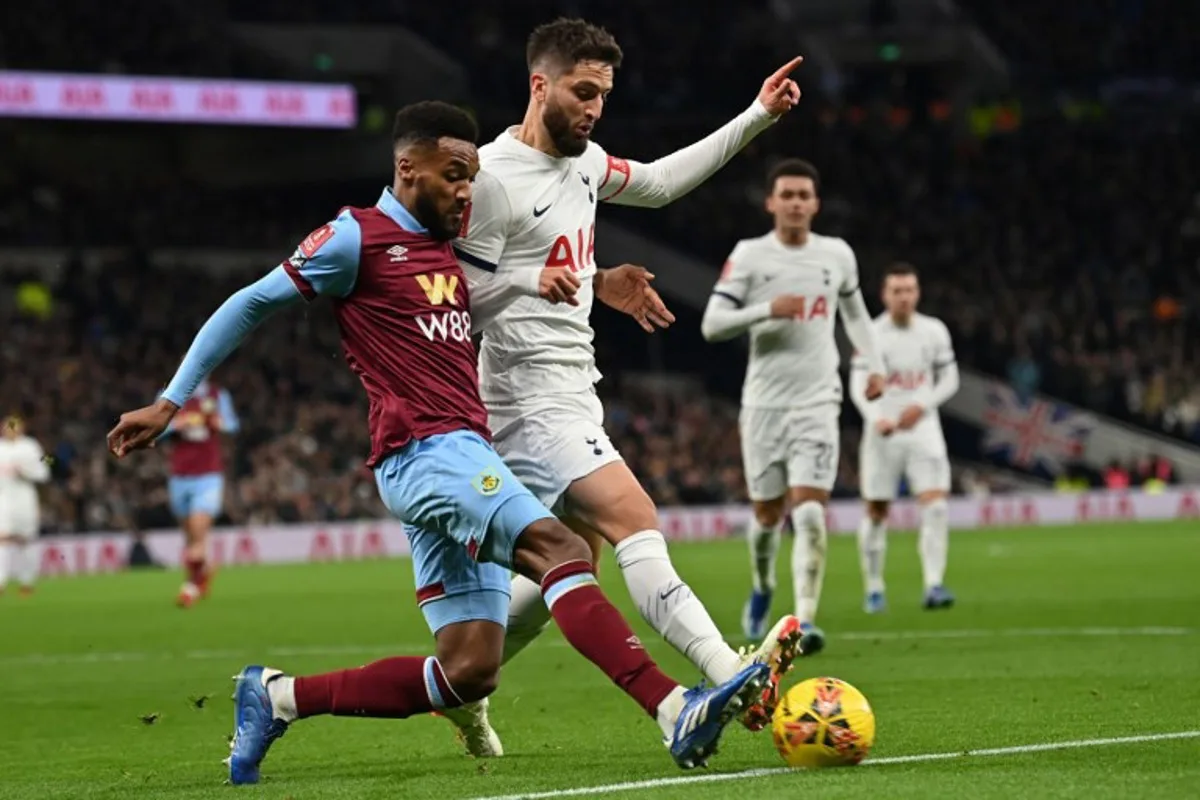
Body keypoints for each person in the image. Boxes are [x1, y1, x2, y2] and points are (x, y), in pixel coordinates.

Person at [106, 101, 768, 785]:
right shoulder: (352, 238)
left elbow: (493, 287)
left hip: (459, 454)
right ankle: (672, 707)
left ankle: (277, 697)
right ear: (406, 168)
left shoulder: (444, 250)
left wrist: (594, 282)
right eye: (453, 175)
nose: (465, 192)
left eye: (472, 177)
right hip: (427, 453)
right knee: (566, 550)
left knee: (469, 671)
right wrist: (171, 399)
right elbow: (250, 302)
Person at [447, 17, 806, 745]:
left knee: (570, 561)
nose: (594, 109)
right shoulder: (490, 180)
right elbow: (456, 301)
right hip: (524, 397)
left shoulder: (582, 165)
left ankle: (464, 683)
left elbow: (661, 183)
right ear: (538, 84)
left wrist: (758, 115)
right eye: (582, 93)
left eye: (603, 96)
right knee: (633, 518)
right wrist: (526, 279)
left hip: (574, 388)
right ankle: (724, 667)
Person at [700, 158, 886, 649]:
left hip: (818, 401)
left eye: (805, 195)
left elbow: (856, 314)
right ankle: (762, 587)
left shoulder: (837, 255)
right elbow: (712, 324)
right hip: (763, 405)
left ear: (816, 204)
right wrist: (765, 310)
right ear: (771, 202)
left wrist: (875, 365)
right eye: (788, 195)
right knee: (766, 516)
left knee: (808, 513)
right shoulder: (751, 256)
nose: (797, 203)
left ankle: (801, 621)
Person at [852, 262, 959, 612]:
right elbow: (857, 382)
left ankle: (934, 584)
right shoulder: (870, 334)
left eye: (909, 290)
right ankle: (874, 588)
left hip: (923, 430)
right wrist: (875, 416)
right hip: (882, 432)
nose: (904, 297)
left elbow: (949, 379)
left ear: (918, 292)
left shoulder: (934, 331)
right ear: (885, 294)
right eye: (897, 290)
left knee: (937, 506)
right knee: (877, 511)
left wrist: (922, 405)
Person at [160, 378, 239, 607]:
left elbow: (232, 424)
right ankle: (203, 572)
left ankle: (190, 588)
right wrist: (176, 425)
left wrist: (218, 423)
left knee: (198, 530)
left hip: (208, 475)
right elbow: (155, 428)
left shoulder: (217, 395)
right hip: (179, 474)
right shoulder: (168, 395)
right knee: (190, 537)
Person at [0, 415, 49, 596]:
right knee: (2, 539)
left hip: (25, 500)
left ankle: (26, 583)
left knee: (25, 541)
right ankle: (1, 582)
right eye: (6, 427)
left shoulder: (31, 447)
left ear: (21, 429)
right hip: (3, 500)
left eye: (13, 427)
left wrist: (26, 471)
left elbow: (45, 470)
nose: (9, 430)